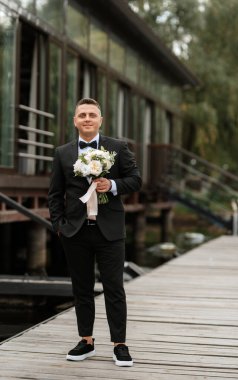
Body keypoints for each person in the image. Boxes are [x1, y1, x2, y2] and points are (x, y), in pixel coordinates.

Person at [48, 98, 142, 367]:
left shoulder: (117, 147)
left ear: (101, 120)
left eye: (92, 115)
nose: (87, 119)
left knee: (114, 288)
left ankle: (119, 345)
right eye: (82, 115)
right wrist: (59, 226)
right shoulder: (62, 153)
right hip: (75, 231)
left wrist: (111, 184)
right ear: (75, 121)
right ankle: (86, 341)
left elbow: (136, 179)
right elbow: (55, 194)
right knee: (82, 289)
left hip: (110, 230)